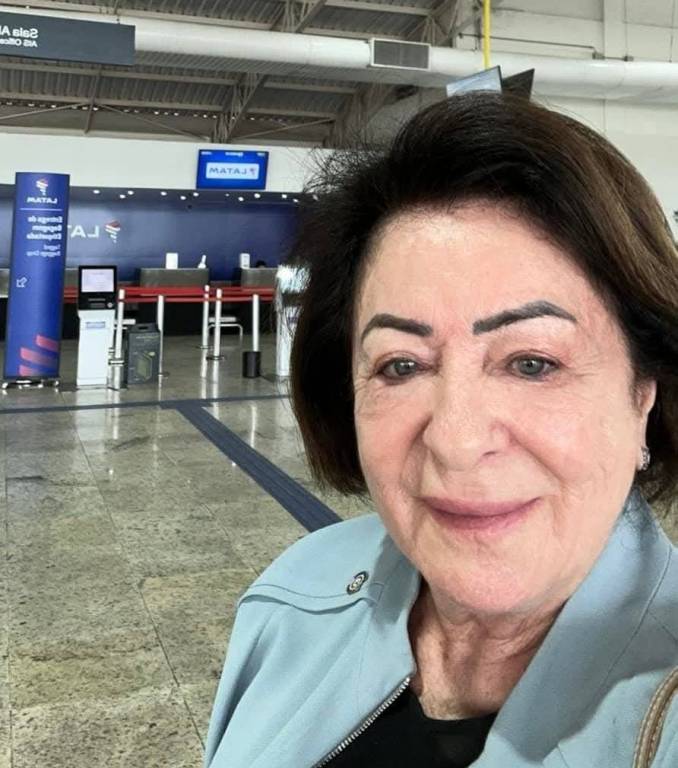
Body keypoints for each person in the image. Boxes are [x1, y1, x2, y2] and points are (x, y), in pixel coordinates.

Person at [205, 92, 678, 768]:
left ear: (643, 395)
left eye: (532, 362)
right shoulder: (294, 596)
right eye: (401, 365)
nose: (455, 441)